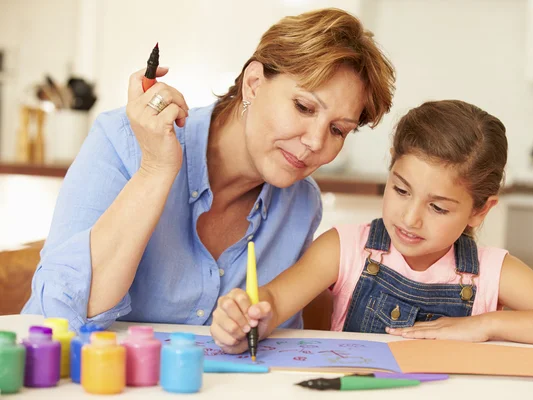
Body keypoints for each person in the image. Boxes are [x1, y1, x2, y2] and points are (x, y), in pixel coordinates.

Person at [21, 8, 395, 331]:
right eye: (303, 107)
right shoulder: (122, 141)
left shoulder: (301, 204)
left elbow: (271, 341)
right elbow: (59, 316)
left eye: (337, 130)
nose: (316, 142)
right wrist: (155, 169)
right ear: (253, 83)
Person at [210, 100, 533, 352]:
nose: (410, 218)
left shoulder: (491, 272)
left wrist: (489, 325)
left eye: (438, 208)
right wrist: (248, 315)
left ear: (480, 211)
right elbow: (274, 301)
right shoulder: (346, 247)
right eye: (400, 190)